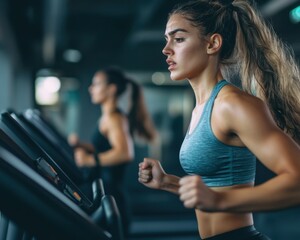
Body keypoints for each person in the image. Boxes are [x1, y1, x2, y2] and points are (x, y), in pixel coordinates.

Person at [138, 0, 300, 239]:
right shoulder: (201, 109)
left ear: (213, 43)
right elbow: (214, 185)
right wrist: (167, 183)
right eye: (166, 39)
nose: (166, 49)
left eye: (179, 39)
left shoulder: (232, 104)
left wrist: (219, 199)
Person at [69, 66, 156, 237]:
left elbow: (125, 152)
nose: (91, 88)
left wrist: (90, 160)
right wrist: (84, 146)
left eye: (96, 84)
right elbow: (106, 147)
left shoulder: (114, 118)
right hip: (108, 195)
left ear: (111, 89)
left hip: (113, 197)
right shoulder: (107, 117)